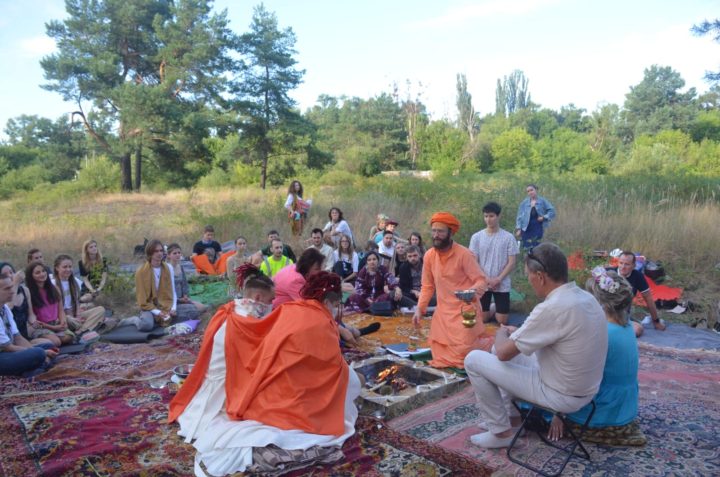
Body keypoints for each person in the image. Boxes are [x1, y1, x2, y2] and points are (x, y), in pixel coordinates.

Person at [168, 269, 360, 476]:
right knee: (351, 385)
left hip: (255, 380)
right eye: (270, 300)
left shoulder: (256, 310)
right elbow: (328, 366)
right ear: (330, 302)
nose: (272, 304)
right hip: (252, 385)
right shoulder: (249, 320)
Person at [463, 243, 607, 448]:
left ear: (540, 276)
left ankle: (501, 433)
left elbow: (504, 353)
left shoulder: (552, 307)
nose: (529, 281)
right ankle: (513, 421)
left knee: (475, 360)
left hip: (561, 394)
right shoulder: (585, 297)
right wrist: (513, 336)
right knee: (499, 350)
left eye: (529, 275)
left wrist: (501, 332)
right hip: (585, 388)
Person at [547, 268, 639, 441]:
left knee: (532, 395)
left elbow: (575, 377)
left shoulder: (602, 333)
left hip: (602, 411)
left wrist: (557, 412)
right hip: (625, 408)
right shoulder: (627, 327)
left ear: (599, 304)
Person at [411, 212, 489, 369]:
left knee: (465, 354)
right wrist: (420, 308)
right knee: (438, 351)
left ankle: (487, 345)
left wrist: (471, 292)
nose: (436, 235)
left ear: (450, 233)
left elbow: (481, 280)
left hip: (465, 310)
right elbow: (427, 286)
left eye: (440, 231)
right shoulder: (429, 256)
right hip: (443, 313)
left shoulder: (464, 254)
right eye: (433, 231)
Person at [469, 202, 519, 325]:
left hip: (501, 282)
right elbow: (473, 261)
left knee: (502, 321)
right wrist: (486, 279)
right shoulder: (477, 237)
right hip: (482, 281)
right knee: (483, 319)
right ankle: (491, 307)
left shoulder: (508, 237)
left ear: (498, 216)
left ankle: (496, 307)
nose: (488, 219)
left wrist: (498, 279)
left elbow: (512, 262)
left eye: (491, 216)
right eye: (486, 216)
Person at [0, 272, 58, 377]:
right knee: (40, 353)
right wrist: (42, 353)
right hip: (3, 355)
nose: (12, 291)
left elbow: (18, 338)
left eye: (11, 287)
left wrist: (36, 351)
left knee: (49, 345)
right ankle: (35, 368)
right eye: (7, 289)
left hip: (10, 350)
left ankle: (31, 369)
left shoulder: (5, 308)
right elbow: (8, 347)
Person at [119, 239, 177, 331]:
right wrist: (158, 312)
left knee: (191, 312)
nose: (159, 253)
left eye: (161, 250)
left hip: (166, 303)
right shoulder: (141, 272)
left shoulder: (168, 268)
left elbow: (173, 291)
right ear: (150, 253)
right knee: (146, 325)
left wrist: (173, 308)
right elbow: (142, 300)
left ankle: (157, 320)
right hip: (149, 306)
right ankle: (134, 320)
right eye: (156, 251)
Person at [611, 251, 665, 337]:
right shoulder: (607, 273)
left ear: (634, 266)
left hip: (623, 315)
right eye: (621, 263)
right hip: (605, 313)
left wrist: (656, 321)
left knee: (638, 330)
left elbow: (648, 298)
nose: (623, 267)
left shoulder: (638, 276)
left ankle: (616, 332)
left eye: (627, 264)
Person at [53, 254, 110, 336]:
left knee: (100, 310)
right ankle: (87, 327)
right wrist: (70, 316)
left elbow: (76, 301)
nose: (68, 269)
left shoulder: (74, 281)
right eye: (65, 267)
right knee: (68, 319)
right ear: (57, 268)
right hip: (63, 318)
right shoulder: (53, 284)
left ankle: (81, 331)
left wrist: (78, 315)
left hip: (74, 314)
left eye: (70, 267)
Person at [0, 262, 50, 344]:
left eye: (11, 272)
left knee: (49, 343)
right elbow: (9, 307)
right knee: (41, 352)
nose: (10, 276)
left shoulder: (25, 290)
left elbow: (31, 314)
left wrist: (36, 323)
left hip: (24, 335)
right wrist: (15, 283)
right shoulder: (4, 296)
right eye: (5, 274)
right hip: (10, 340)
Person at [25, 261, 72, 346]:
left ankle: (54, 336)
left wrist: (63, 322)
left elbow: (61, 310)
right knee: (56, 342)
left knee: (69, 337)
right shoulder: (29, 292)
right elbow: (33, 320)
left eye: (43, 271)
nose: (42, 274)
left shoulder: (54, 288)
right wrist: (54, 328)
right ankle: (33, 342)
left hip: (55, 323)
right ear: (31, 276)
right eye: (37, 273)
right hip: (40, 326)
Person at [167, 244, 209, 320]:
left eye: (179, 253)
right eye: (174, 253)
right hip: (172, 301)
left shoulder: (180, 267)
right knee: (194, 310)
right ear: (168, 255)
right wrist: (179, 300)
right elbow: (166, 291)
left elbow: (184, 284)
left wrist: (185, 295)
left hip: (183, 298)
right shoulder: (167, 269)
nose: (177, 255)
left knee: (202, 307)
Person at [515, 183, 555, 250]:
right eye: (528, 191)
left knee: (536, 246)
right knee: (526, 246)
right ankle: (527, 259)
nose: (530, 192)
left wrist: (544, 217)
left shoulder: (543, 201)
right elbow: (519, 216)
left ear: (536, 190)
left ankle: (536, 259)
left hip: (537, 226)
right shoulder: (524, 203)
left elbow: (552, 211)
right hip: (526, 228)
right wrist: (519, 229)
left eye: (531, 190)